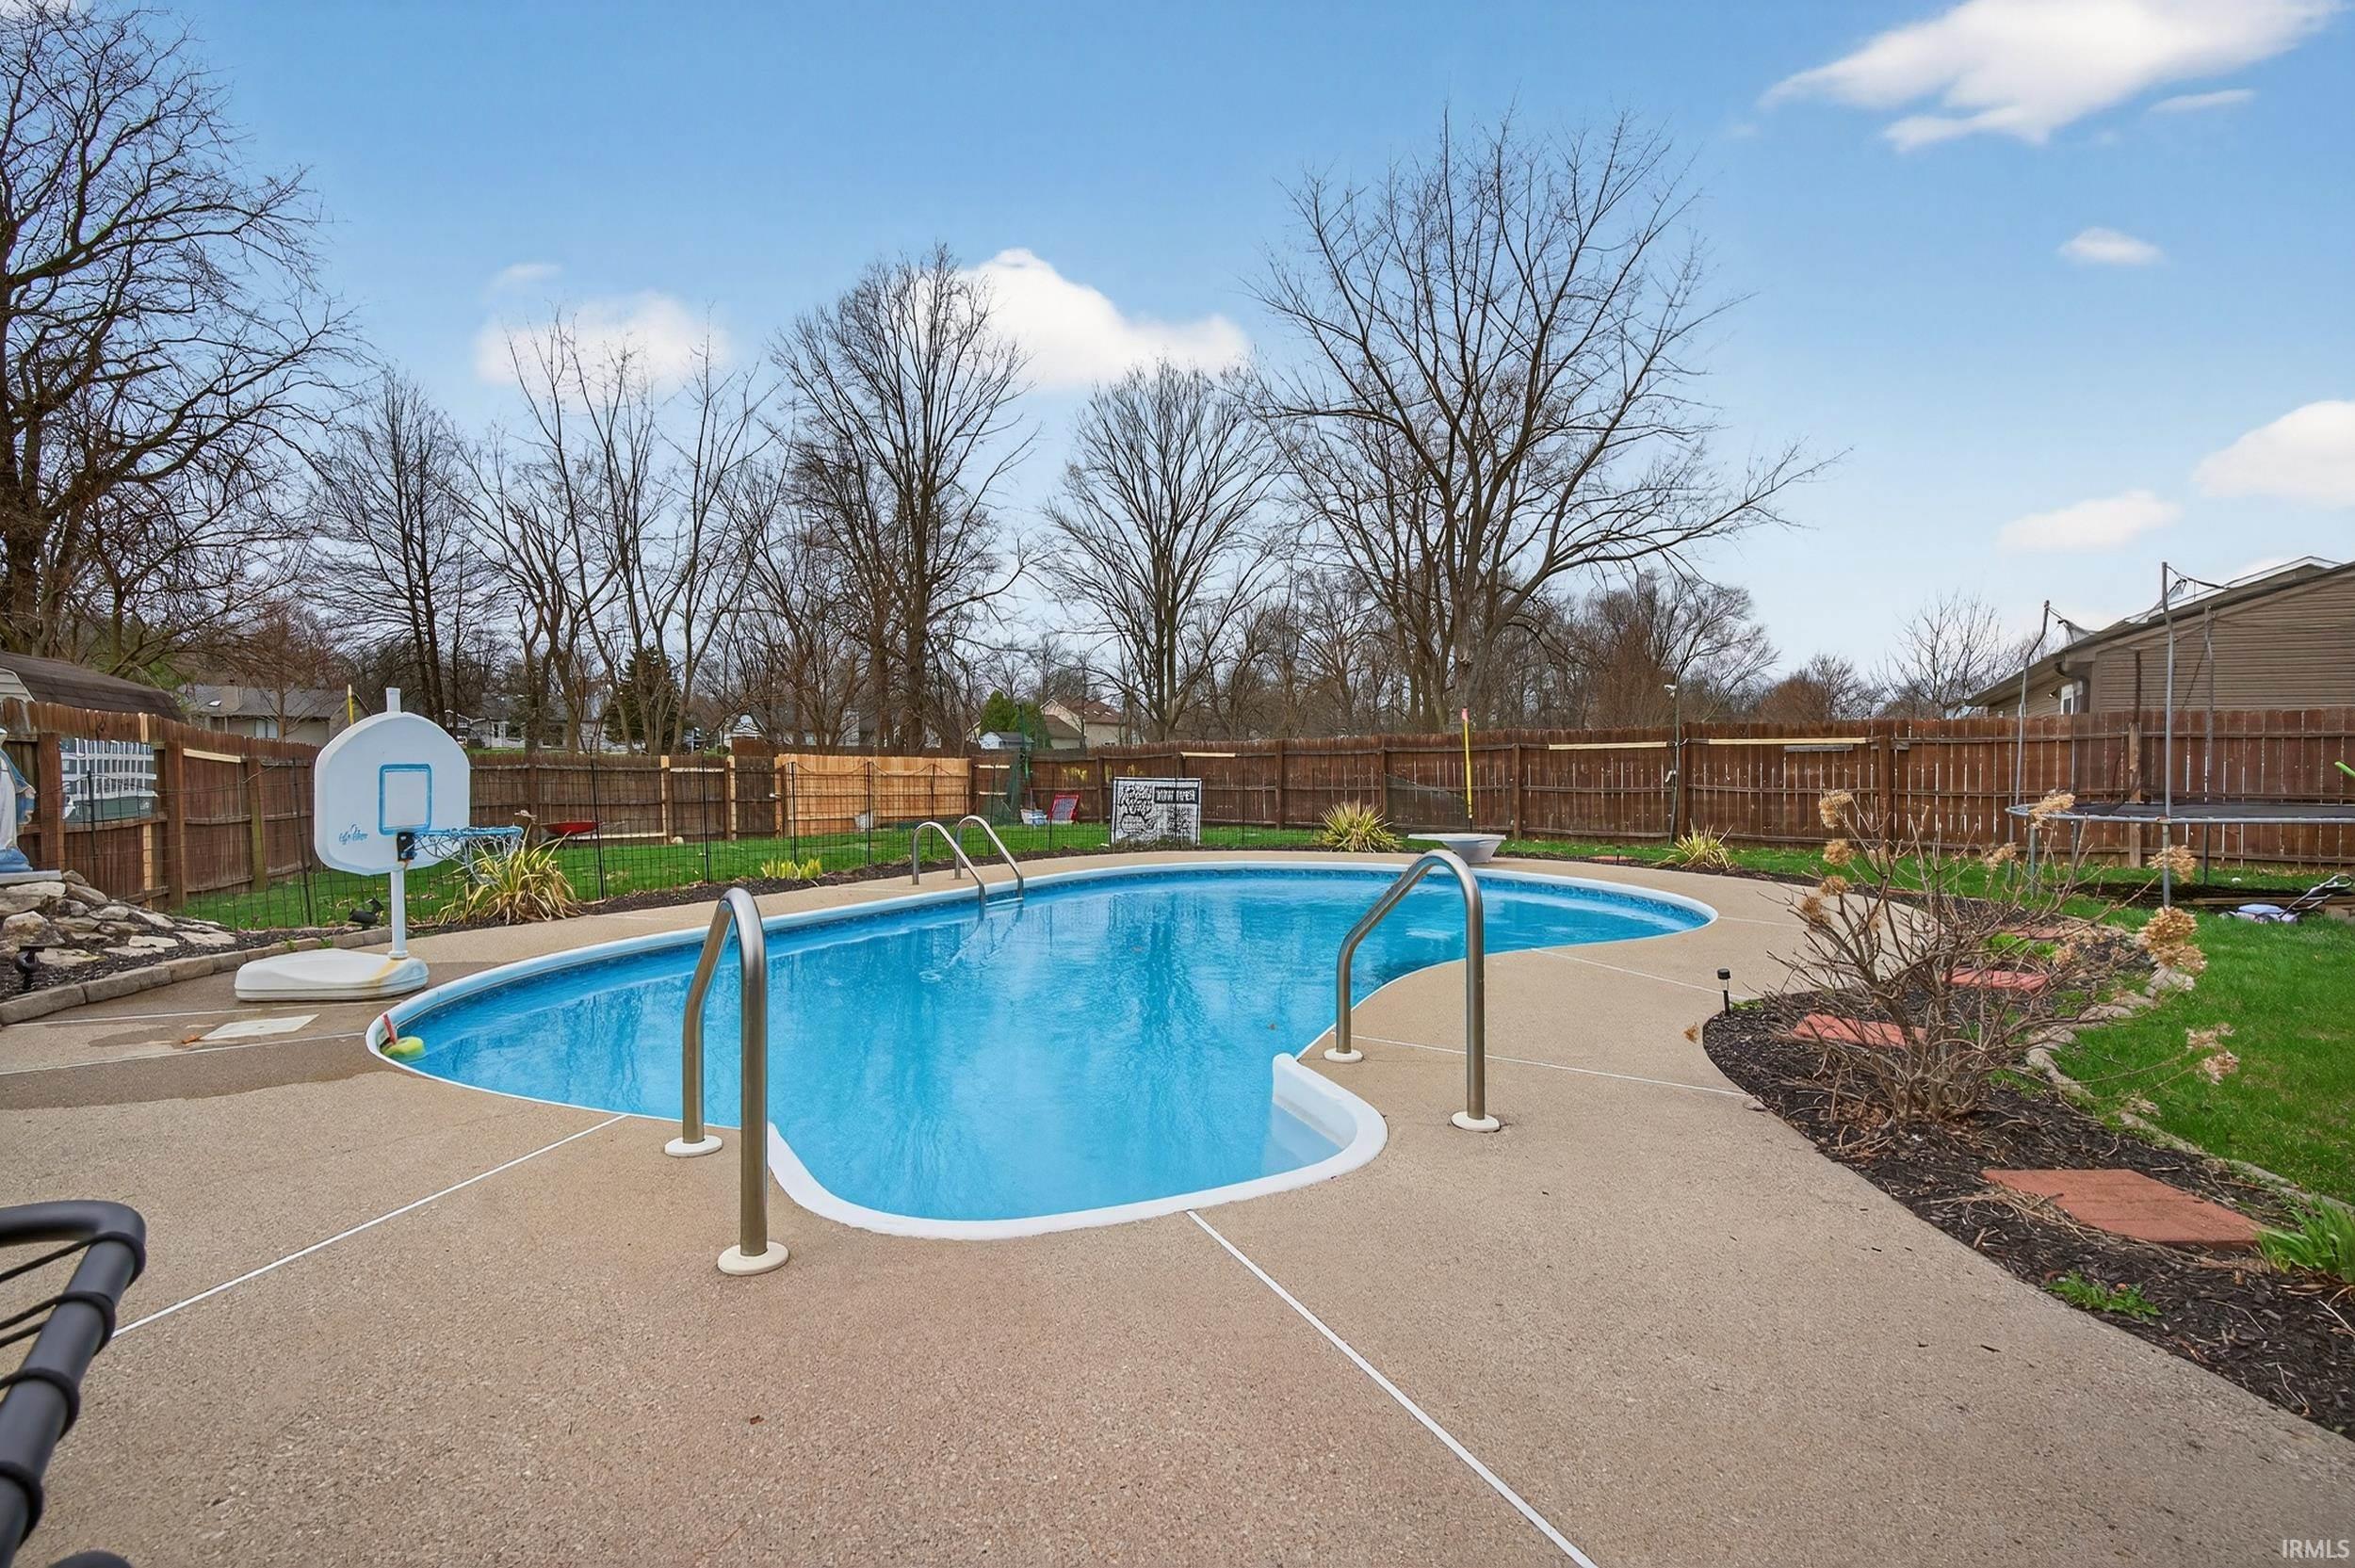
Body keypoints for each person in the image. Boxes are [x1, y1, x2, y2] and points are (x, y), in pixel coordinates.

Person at [0, 724, 32, 873]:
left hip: (7, 790)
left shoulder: (3, 756)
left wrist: (24, 788)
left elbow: (16, 777)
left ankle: (6, 847)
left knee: (7, 820)